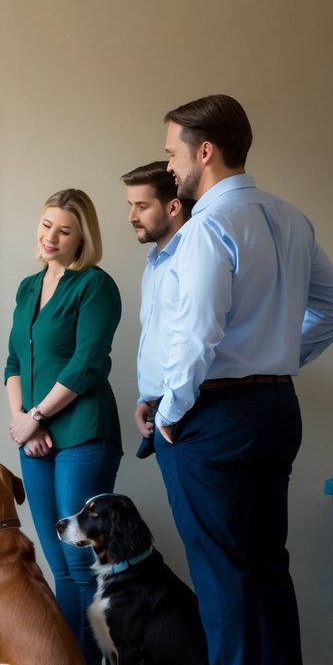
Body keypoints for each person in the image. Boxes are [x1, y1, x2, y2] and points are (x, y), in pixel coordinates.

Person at [147, 95, 333, 665]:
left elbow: (198, 334)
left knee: (222, 577)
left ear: (204, 152)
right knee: (265, 568)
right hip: (274, 412)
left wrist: (171, 410)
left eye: (174, 152)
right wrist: (278, 360)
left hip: (213, 417)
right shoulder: (289, 217)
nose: (170, 166)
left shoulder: (207, 228)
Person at [4, 188, 122, 665]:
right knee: (56, 561)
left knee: (80, 562)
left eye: (65, 230)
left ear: (82, 238)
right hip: (34, 436)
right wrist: (23, 422)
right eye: (47, 224)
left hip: (84, 434)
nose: (51, 236)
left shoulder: (95, 285)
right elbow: (14, 360)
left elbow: (86, 364)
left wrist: (37, 416)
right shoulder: (28, 286)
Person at [120, 160, 192, 458]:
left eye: (141, 206)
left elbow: (194, 338)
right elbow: (161, 340)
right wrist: (147, 400)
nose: (131, 216)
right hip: (161, 411)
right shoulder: (154, 265)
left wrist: (169, 410)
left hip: (185, 413)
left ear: (173, 207)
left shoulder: (193, 258)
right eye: (130, 205)